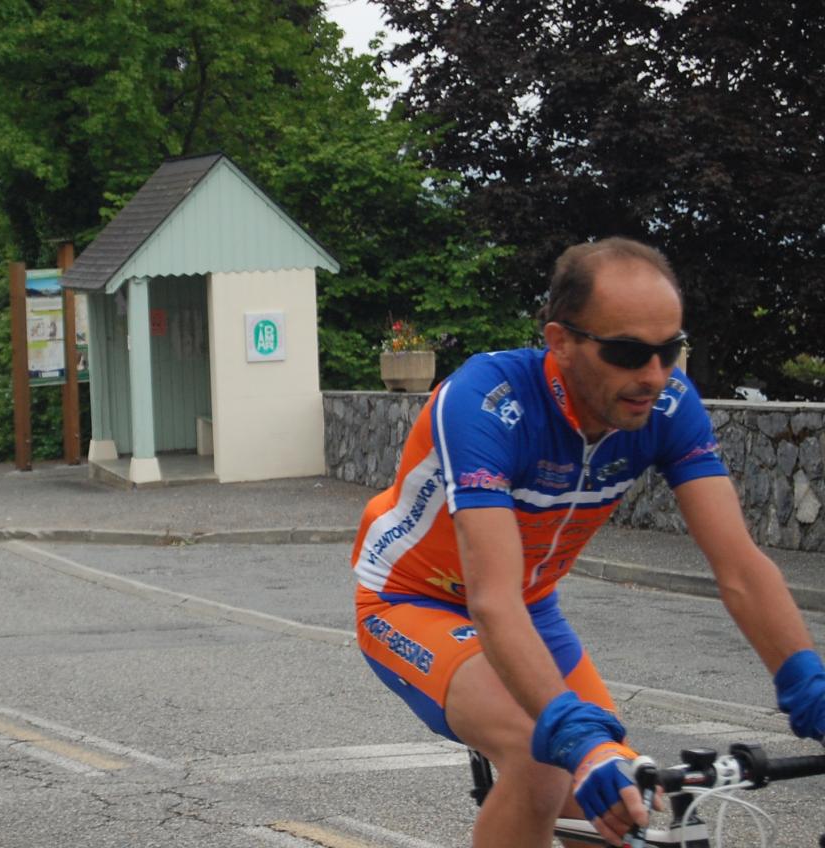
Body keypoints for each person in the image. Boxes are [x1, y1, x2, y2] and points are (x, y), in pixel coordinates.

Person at [351, 237, 825, 847]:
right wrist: (573, 736)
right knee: (546, 754)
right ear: (561, 342)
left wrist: (806, 680)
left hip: (532, 608)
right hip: (414, 602)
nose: (653, 376)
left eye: (668, 351)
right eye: (628, 352)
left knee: (626, 795)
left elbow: (739, 566)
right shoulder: (487, 402)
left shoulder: (669, 406)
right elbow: (491, 599)